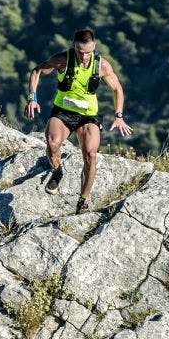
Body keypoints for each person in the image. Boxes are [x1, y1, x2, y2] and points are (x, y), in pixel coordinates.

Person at [24, 28, 133, 212]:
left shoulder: (102, 65)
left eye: (88, 52)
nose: (84, 57)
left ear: (94, 47)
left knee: (90, 155)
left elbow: (117, 89)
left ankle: (83, 199)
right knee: (52, 144)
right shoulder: (63, 59)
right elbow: (36, 72)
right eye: (81, 52)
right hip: (63, 111)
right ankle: (57, 171)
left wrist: (119, 115)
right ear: (74, 46)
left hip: (88, 116)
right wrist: (32, 99)